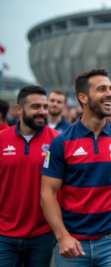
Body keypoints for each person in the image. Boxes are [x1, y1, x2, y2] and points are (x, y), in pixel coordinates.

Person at [40, 68, 111, 267]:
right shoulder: (62, 142)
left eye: (110, 89)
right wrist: (62, 236)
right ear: (83, 97)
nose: (110, 94)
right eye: (101, 89)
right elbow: (47, 193)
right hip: (73, 242)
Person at [0, 86, 59, 266]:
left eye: (45, 107)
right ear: (18, 109)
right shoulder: (1, 138)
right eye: (35, 107)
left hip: (42, 235)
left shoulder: (58, 141)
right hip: (4, 235)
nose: (42, 112)